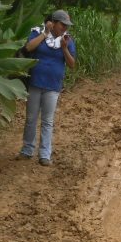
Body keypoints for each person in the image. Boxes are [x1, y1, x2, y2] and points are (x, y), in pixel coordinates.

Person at [17, 9, 77, 166]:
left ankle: (44, 154)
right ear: (53, 23)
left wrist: (64, 48)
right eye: (62, 25)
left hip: (52, 86)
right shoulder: (38, 33)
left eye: (67, 25)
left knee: (47, 121)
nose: (65, 28)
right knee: (30, 119)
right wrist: (45, 33)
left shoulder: (67, 40)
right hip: (35, 82)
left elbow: (72, 65)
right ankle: (27, 150)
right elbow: (28, 48)